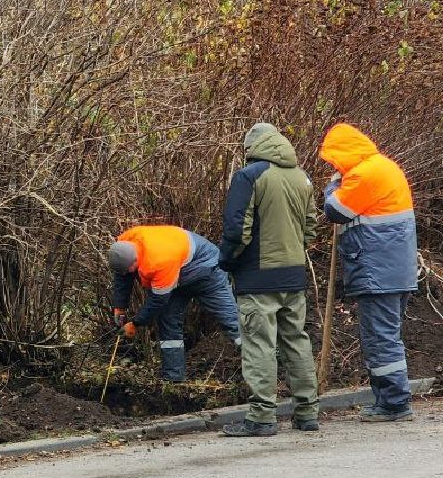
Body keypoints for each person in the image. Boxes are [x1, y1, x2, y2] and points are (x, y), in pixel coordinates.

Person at [216, 123, 319, 438]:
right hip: (293, 275)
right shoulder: (301, 177)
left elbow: (236, 229)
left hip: (257, 277)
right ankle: (307, 413)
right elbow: (311, 227)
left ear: (249, 148)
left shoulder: (249, 176)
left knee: (259, 344)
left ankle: (262, 417)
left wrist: (227, 262)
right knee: (297, 341)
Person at [319, 123, 418, 423]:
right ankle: (390, 400)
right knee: (386, 335)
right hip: (392, 269)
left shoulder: (364, 174)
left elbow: (335, 211)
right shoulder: (385, 167)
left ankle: (394, 403)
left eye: (334, 159)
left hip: (377, 271)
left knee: (380, 337)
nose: (333, 165)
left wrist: (333, 185)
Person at [109, 225, 241, 382]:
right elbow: (122, 276)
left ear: (136, 259)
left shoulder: (159, 261)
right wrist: (119, 307)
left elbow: (158, 301)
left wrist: (135, 323)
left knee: (230, 319)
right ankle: (173, 379)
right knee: (168, 320)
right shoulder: (123, 245)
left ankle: (259, 369)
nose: (128, 273)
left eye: (130, 269)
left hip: (206, 269)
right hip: (177, 273)